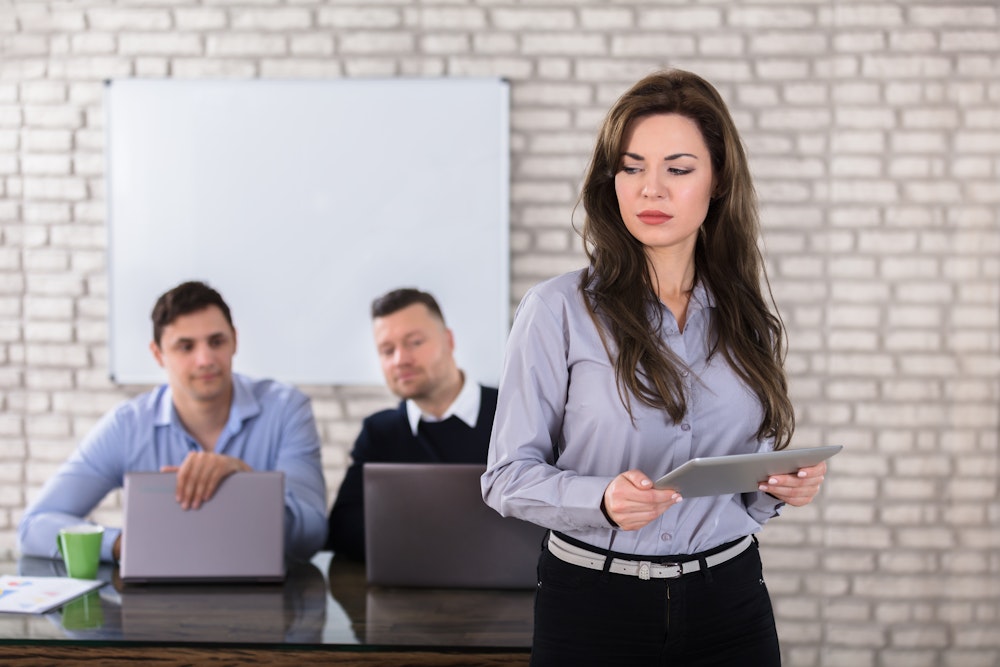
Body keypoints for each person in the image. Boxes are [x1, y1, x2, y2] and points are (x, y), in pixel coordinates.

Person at [481, 69, 828, 666]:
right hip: (592, 607)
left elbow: (745, 491)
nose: (651, 190)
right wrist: (601, 500)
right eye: (632, 167)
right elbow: (506, 477)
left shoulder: (746, 316)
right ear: (611, 180)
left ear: (718, 180)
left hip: (730, 601)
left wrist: (778, 486)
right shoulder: (556, 310)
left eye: (678, 169)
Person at [18, 281, 328, 564]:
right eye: (186, 347)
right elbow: (35, 525)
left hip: (264, 597)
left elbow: (312, 533)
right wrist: (124, 545)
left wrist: (248, 485)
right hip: (157, 600)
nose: (205, 359)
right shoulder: (128, 426)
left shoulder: (286, 410)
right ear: (158, 354)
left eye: (216, 341)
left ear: (234, 341)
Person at [325, 288, 498, 560]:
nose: (400, 360)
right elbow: (343, 530)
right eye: (387, 350)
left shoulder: (511, 415)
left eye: (415, 342)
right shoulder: (379, 433)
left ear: (449, 341)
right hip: (407, 582)